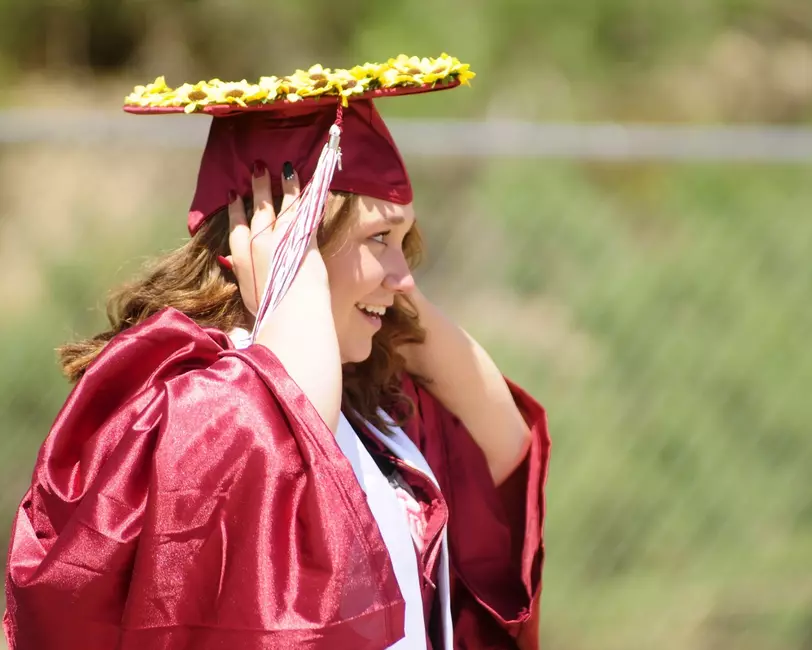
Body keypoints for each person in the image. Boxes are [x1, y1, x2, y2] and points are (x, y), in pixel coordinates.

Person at [4, 54, 549, 650]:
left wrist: (389, 299)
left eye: (405, 242)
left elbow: (504, 445)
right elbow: (275, 465)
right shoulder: (183, 401)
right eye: (378, 240)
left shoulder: (369, 413)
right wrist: (297, 285)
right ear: (293, 238)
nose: (403, 274)